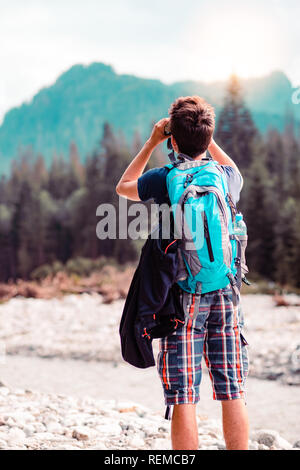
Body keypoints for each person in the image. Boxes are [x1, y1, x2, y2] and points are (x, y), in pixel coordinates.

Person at [116, 96, 249, 451]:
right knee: (232, 388)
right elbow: (233, 168)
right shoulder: (224, 176)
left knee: (183, 393)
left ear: (172, 140)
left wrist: (153, 141)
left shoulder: (165, 178)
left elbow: (124, 186)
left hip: (183, 295)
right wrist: (206, 139)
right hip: (225, 292)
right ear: (208, 138)